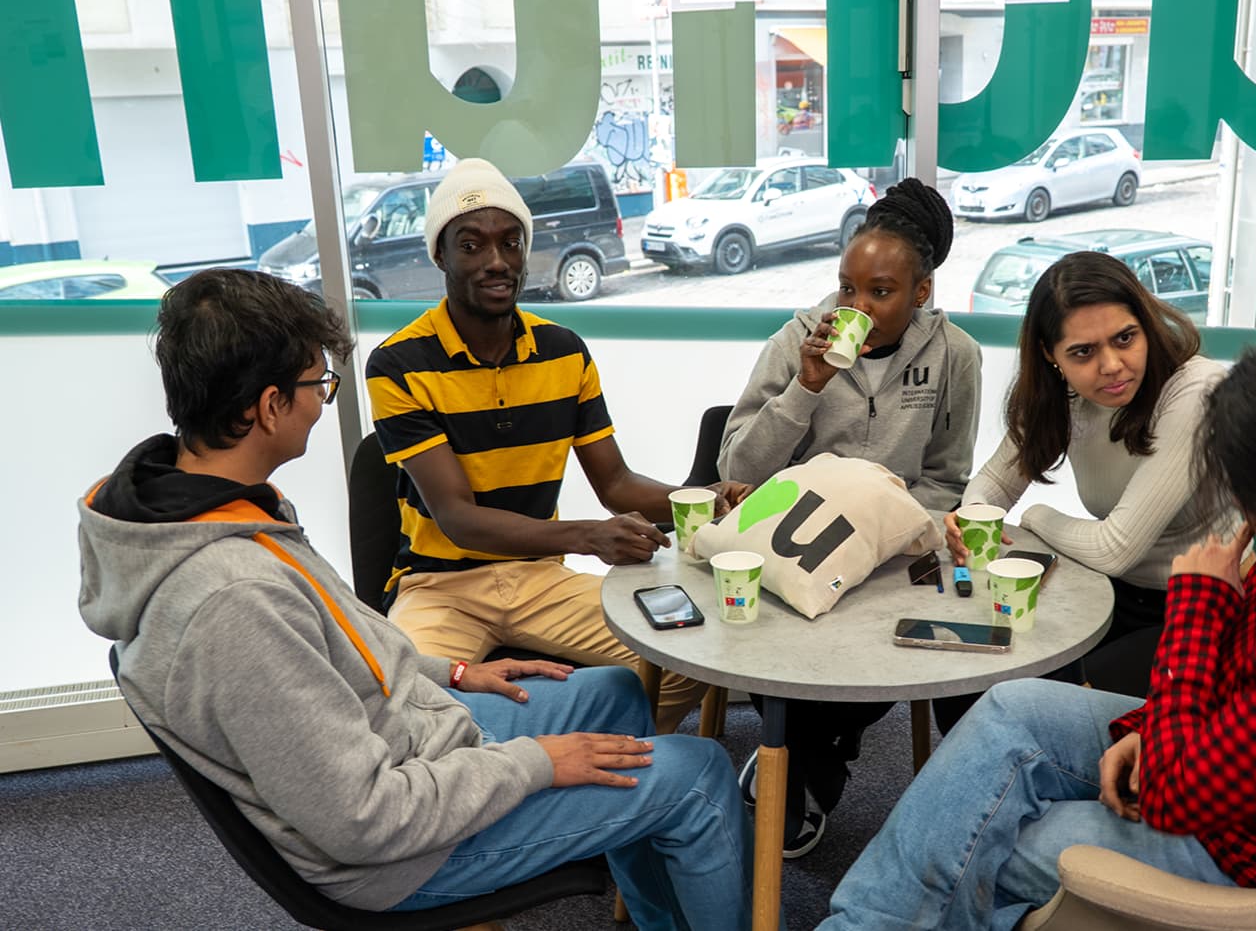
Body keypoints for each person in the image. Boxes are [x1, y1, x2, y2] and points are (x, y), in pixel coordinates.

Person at [77, 270, 750, 925]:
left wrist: (449, 672)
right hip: (404, 851)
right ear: (270, 405)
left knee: (617, 693)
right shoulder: (233, 601)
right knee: (699, 773)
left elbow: (335, 646)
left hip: (412, 737)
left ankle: (663, 915)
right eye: (318, 383)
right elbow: (364, 819)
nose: (323, 401)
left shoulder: (214, 507)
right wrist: (537, 763)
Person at [821, 337, 1256, 930]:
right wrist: (1151, 729)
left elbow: (1179, 791)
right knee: (1013, 706)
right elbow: (1251, 696)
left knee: (998, 842)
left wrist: (1199, 604)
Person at [365, 158, 747, 733]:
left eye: (510, 242)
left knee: (688, 660)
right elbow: (458, 518)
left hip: (539, 578)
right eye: (471, 245)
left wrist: (705, 499)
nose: (497, 260)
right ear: (440, 255)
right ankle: (535, 762)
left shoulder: (564, 350)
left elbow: (616, 484)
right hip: (440, 586)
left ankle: (590, 761)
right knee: (401, 705)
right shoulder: (397, 362)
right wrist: (587, 536)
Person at [718, 177, 981, 858]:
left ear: (921, 292)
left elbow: (946, 477)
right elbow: (739, 466)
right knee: (772, 638)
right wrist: (806, 388)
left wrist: (898, 533)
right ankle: (813, 758)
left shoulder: (956, 356)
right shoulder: (797, 341)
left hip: (893, 547)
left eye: (880, 292)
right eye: (846, 288)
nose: (855, 307)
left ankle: (803, 756)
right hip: (797, 538)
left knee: (902, 647)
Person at [945, 250, 1226, 707]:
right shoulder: (1063, 396)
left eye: (1125, 338)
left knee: (1035, 696)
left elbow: (1115, 549)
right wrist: (973, 518)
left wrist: (1034, 515)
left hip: (1205, 608)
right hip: (1112, 595)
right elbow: (991, 484)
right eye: (1083, 352)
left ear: (1147, 324)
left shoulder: (1195, 391)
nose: (1111, 365)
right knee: (972, 674)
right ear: (1050, 355)